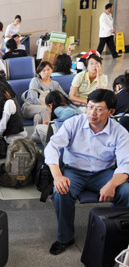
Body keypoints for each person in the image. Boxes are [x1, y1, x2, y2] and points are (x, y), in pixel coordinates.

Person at [44, 89, 129, 255]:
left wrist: (112, 184)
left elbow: (126, 163)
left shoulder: (120, 132)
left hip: (104, 172)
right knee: (61, 190)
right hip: (74, 170)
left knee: (126, 191)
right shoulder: (73, 123)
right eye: (90, 107)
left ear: (111, 112)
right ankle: (65, 237)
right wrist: (58, 176)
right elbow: (52, 147)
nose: (92, 113)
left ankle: (113, 231)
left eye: (98, 109)